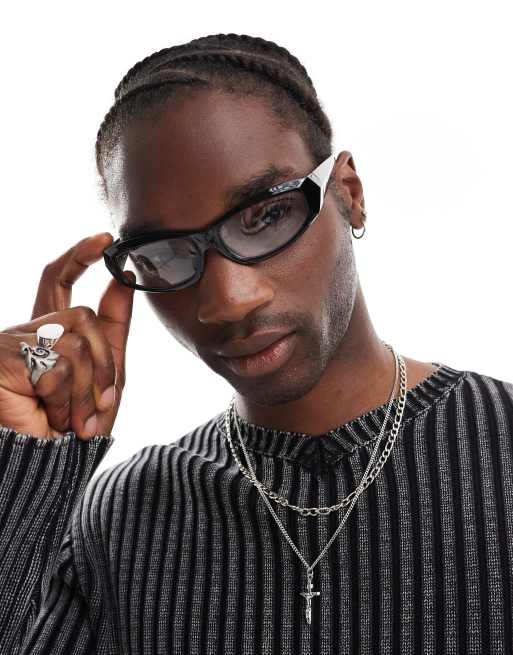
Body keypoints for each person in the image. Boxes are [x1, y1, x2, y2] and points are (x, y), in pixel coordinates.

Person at [0, 32, 512, 655]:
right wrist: (26, 475)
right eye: (164, 252)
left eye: (266, 215)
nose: (228, 300)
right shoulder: (120, 517)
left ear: (349, 194)